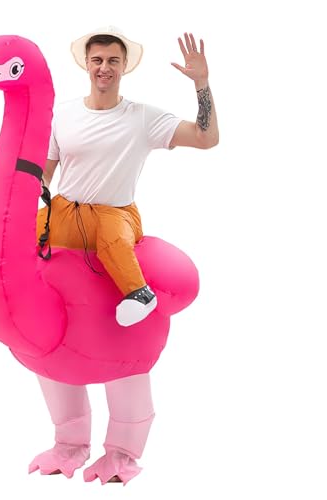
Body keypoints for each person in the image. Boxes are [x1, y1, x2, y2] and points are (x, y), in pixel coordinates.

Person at [30, 26, 219, 484]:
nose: (104, 68)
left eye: (113, 61)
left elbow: (205, 137)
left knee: (112, 238)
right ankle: (69, 443)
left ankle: (138, 293)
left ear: (124, 66)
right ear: (86, 64)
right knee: (30, 241)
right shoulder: (63, 115)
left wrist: (201, 84)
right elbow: (45, 175)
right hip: (68, 216)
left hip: (115, 215)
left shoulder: (141, 117)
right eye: (97, 60)